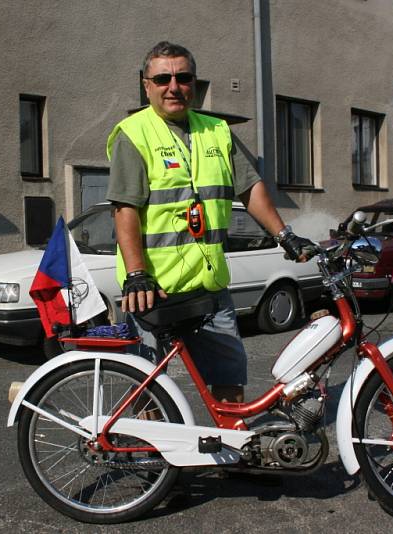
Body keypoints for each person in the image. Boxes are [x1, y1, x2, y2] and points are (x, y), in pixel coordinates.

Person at [106, 41, 313, 402]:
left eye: (183, 77)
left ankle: (230, 450)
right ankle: (150, 454)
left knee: (228, 378)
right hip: (154, 290)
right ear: (146, 85)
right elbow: (125, 209)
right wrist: (137, 273)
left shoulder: (216, 130)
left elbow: (250, 190)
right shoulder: (134, 134)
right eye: (163, 78)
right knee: (148, 388)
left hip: (210, 286)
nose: (174, 86)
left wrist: (286, 236)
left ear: (194, 83)